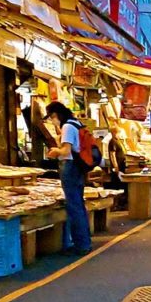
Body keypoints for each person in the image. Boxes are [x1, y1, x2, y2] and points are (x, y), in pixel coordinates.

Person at [45, 102, 92, 255]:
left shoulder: (67, 127)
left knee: (74, 206)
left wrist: (54, 151)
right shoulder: (76, 124)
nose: (52, 121)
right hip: (78, 168)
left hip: (69, 166)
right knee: (78, 204)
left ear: (56, 115)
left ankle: (81, 245)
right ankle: (84, 242)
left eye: (52, 117)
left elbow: (66, 150)